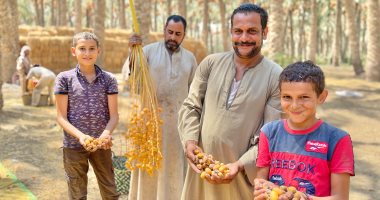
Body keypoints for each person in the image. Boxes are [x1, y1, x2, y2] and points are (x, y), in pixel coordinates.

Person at [177, 3, 283, 200]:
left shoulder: (276, 76)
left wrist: (240, 165)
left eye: (252, 31)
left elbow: (271, 135)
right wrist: (190, 140)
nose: (244, 38)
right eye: (238, 31)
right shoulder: (210, 63)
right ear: (230, 32)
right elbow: (191, 106)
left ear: (265, 32)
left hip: (241, 181)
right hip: (201, 173)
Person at [254, 61, 355, 200]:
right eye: (287, 97)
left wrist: (306, 198)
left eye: (304, 97)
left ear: (321, 97)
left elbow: (341, 198)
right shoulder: (269, 132)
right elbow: (261, 183)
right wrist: (261, 189)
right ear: (280, 96)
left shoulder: (337, 139)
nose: (295, 105)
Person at [122, 15, 198, 200]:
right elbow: (130, 78)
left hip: (177, 125)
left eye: (177, 34)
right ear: (164, 30)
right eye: (170, 32)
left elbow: (194, 92)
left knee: (174, 167)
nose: (173, 37)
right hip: (149, 123)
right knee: (149, 166)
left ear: (184, 35)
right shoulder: (146, 51)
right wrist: (133, 52)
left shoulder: (190, 59)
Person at [54, 32, 120, 200]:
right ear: (73, 51)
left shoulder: (109, 79)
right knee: (77, 194)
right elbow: (61, 117)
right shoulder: (64, 79)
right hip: (73, 145)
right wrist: (81, 137)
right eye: (82, 49)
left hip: (101, 145)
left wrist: (105, 134)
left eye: (92, 49)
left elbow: (114, 116)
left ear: (99, 51)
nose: (87, 53)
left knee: (110, 192)